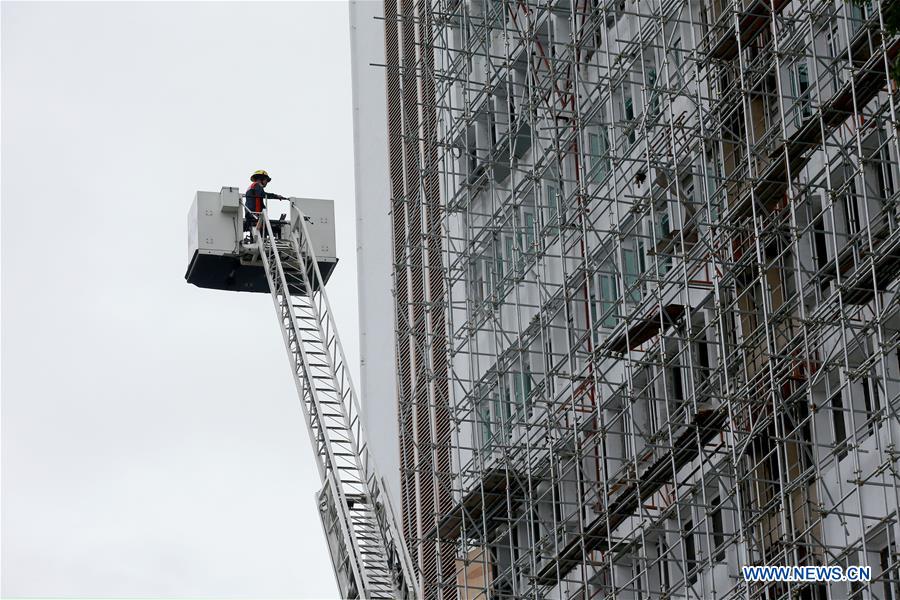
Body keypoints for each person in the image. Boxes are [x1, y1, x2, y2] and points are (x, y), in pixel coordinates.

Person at [244, 170, 286, 235]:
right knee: (275, 229)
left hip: (250, 214)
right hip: (255, 215)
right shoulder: (257, 185)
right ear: (261, 179)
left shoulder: (252, 187)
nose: (266, 183)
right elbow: (263, 194)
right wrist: (276, 196)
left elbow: (259, 200)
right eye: (266, 180)